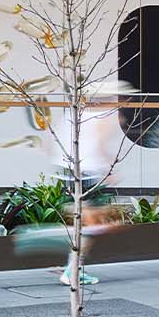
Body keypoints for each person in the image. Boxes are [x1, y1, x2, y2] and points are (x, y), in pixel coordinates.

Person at [48, 81, 128, 287]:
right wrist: (109, 168)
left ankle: (72, 266)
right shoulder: (102, 117)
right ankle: (71, 269)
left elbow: (55, 143)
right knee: (94, 225)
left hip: (68, 173)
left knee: (82, 222)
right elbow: (100, 145)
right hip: (87, 175)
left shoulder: (73, 115)